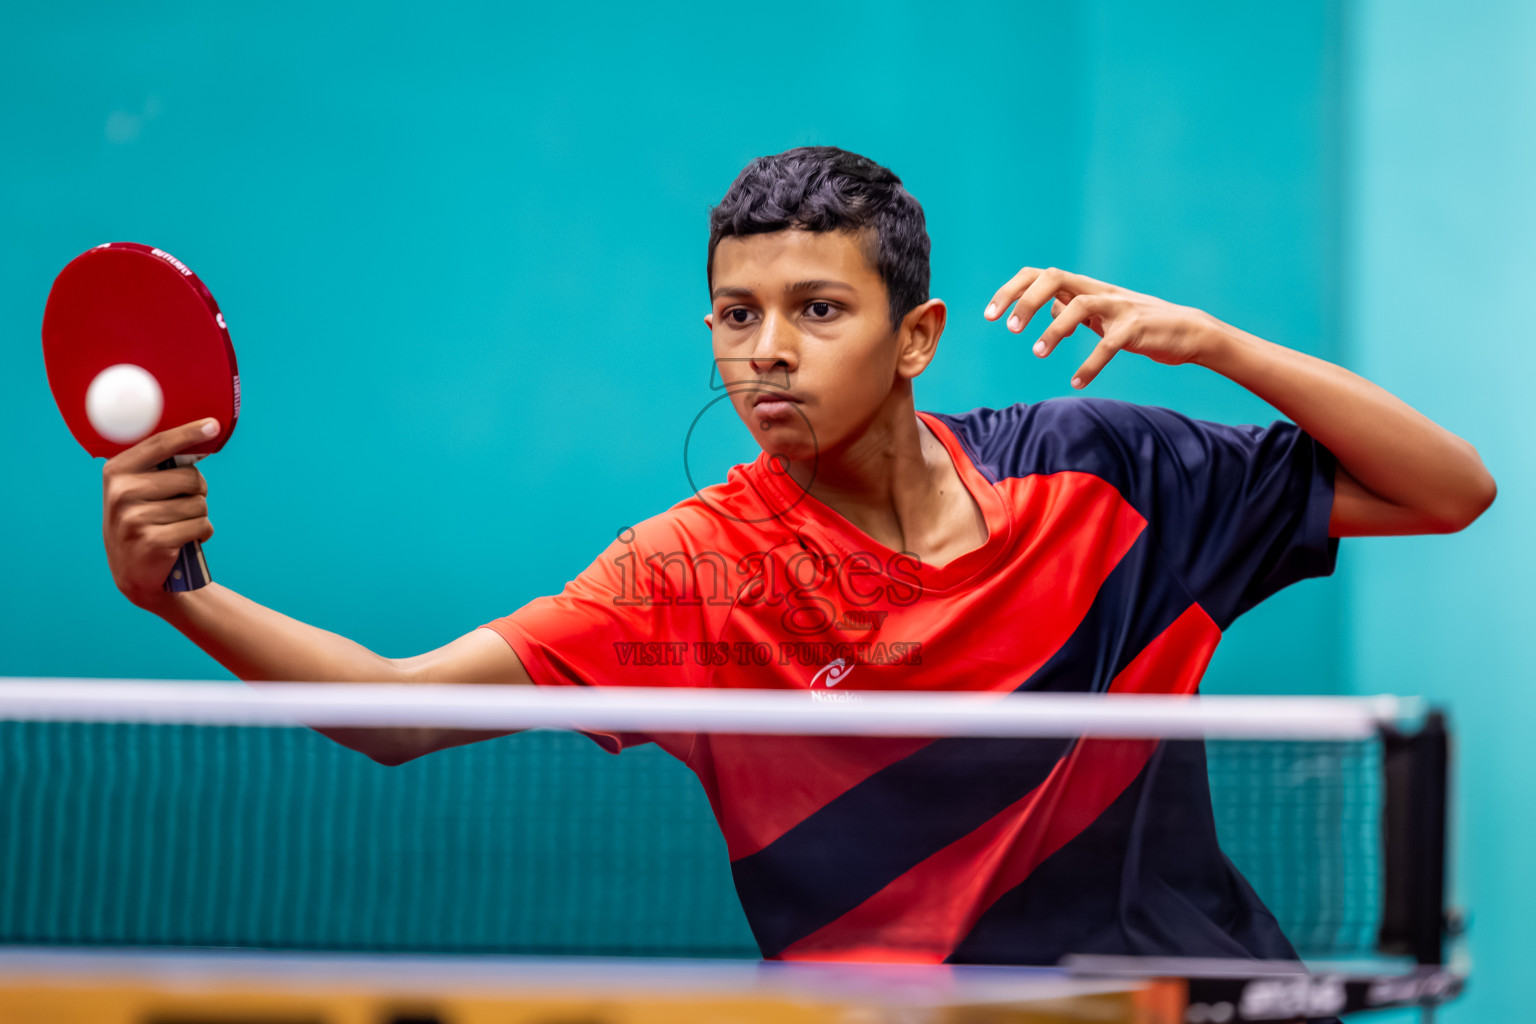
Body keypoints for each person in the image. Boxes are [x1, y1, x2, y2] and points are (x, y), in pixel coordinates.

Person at [100, 146, 1494, 965]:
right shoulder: (694, 573)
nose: (765, 351)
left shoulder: (1109, 472)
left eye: (817, 308)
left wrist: (1223, 347)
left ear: (917, 336)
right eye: (733, 316)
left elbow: (1451, 491)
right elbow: (396, 714)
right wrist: (183, 597)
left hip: (1197, 995)